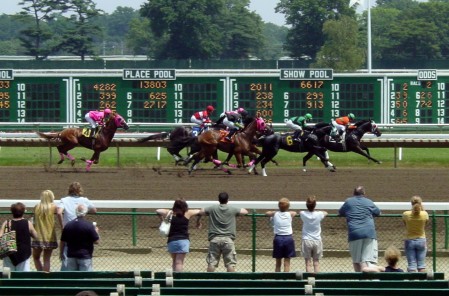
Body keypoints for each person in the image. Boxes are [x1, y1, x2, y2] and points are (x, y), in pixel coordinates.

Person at [196, 192, 248, 272]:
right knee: (230, 264)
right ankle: (230, 282)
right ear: (227, 200)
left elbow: (201, 211)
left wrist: (198, 221)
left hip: (214, 239)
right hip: (228, 240)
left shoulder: (212, 208)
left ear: (218, 199)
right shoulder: (232, 209)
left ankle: (209, 282)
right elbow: (245, 212)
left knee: (211, 263)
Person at [339, 185, 381, 272]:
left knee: (356, 261)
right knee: (366, 261)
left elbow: (340, 212)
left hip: (355, 233)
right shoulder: (369, 202)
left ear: (354, 193)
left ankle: (360, 281)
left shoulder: (348, 202)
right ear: (364, 193)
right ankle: (366, 281)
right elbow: (378, 212)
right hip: (369, 233)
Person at [57, 181, 97, 271]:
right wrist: (84, 210)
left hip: (69, 230)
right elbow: (94, 210)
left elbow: (59, 212)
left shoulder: (64, 200)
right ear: (80, 190)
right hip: (82, 229)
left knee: (67, 254)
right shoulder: (84, 200)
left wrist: (62, 226)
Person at [156, 199, 201, 272]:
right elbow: (200, 211)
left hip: (172, 241)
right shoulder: (187, 213)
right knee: (179, 262)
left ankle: (174, 279)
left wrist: (162, 219)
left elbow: (158, 210)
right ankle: (178, 280)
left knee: (174, 261)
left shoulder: (170, 213)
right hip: (183, 241)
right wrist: (198, 221)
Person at [60, 204, 99, 271]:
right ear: (85, 213)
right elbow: (96, 241)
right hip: (85, 256)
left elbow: (62, 241)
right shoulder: (89, 225)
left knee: (73, 278)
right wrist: (96, 232)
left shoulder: (68, 225)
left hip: (71, 255)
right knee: (85, 278)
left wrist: (61, 253)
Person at [0, 202, 38, 271]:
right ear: (23, 212)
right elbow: (36, 236)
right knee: (23, 277)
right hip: (24, 254)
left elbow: (0, 236)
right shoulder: (27, 223)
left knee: (9, 276)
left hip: (9, 252)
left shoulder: (7, 223)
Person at [265, 197, 297, 272]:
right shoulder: (290, 214)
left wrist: (273, 212)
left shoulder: (275, 214)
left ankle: (278, 280)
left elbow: (267, 213)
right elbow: (294, 212)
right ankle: (285, 280)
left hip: (278, 238)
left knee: (278, 263)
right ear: (288, 207)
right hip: (288, 238)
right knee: (287, 262)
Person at [31, 190, 58, 272]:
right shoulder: (54, 207)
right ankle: (45, 276)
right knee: (47, 259)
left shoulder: (37, 207)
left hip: (38, 236)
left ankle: (40, 274)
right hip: (49, 237)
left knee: (36, 258)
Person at [299, 195, 328, 273]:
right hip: (317, 240)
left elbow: (300, 212)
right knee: (316, 262)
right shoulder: (319, 214)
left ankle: (309, 279)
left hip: (307, 240)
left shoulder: (303, 214)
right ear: (315, 205)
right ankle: (317, 280)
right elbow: (325, 212)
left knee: (308, 263)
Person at [402, 195, 429, 272]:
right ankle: (422, 282)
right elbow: (425, 223)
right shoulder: (425, 214)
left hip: (410, 240)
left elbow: (405, 224)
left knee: (411, 265)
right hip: (421, 239)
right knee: (421, 265)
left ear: (411, 203)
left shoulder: (406, 214)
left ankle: (412, 282)